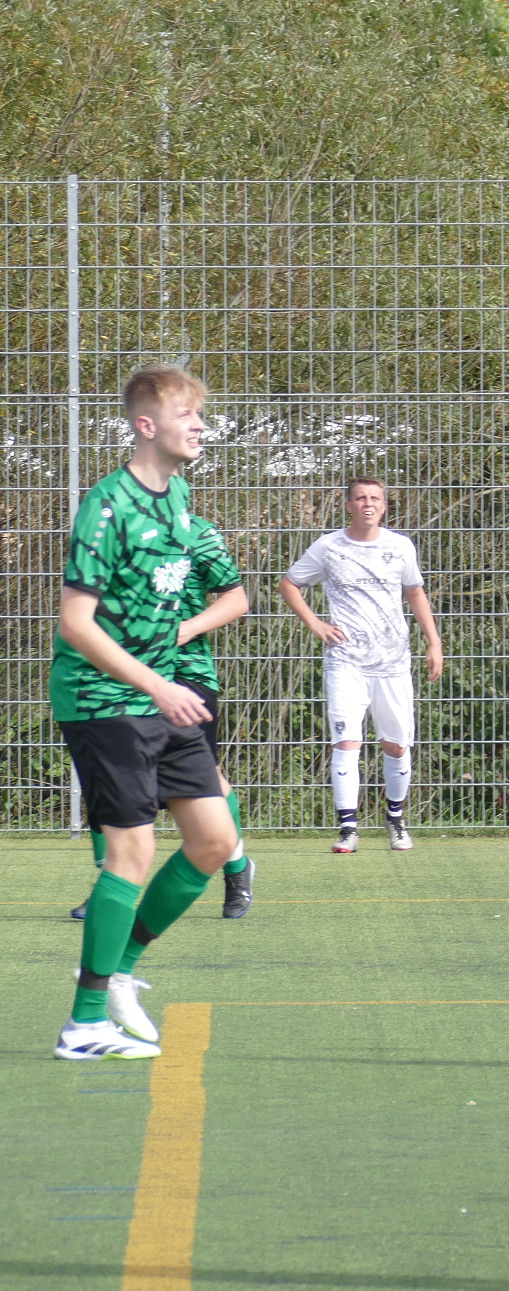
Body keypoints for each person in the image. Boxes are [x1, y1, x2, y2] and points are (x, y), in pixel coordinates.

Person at [52, 367, 244, 1061]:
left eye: (201, 414)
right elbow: (76, 624)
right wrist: (157, 685)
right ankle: (83, 1026)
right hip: (104, 698)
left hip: (163, 696)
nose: (200, 425)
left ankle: (118, 970)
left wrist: (167, 680)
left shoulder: (181, 498)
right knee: (131, 852)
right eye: (188, 415)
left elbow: (228, 594)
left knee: (215, 841)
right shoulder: (106, 507)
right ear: (146, 425)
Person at [67, 511, 254, 923]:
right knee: (106, 775)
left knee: (206, 778)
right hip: (119, 677)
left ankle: (236, 869)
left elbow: (236, 599)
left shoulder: (198, 532)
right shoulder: (108, 532)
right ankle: (110, 884)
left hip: (186, 675)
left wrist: (186, 629)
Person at [278, 479, 444, 853]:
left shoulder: (400, 546)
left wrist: (433, 643)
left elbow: (415, 593)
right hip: (346, 662)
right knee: (346, 742)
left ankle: (396, 820)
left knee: (396, 746)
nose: (368, 503)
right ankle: (348, 829)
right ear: (349, 505)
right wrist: (315, 623)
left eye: (375, 498)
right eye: (360, 498)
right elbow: (289, 584)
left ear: (384, 506)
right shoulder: (329, 547)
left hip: (393, 663)